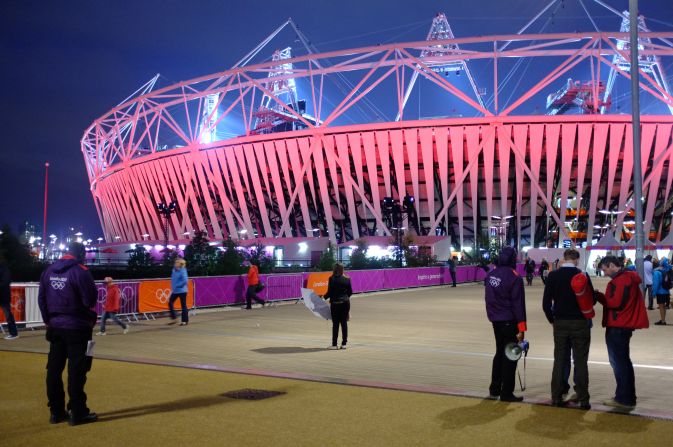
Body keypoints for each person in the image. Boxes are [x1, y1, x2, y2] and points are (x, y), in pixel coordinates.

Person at [38, 242, 98, 425]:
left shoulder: (48, 271)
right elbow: (90, 300)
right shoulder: (81, 271)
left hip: (56, 327)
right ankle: (78, 412)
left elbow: (41, 299)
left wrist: (49, 321)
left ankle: (56, 411)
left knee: (54, 369)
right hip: (78, 327)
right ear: (80, 254)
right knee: (77, 370)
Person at [596, 256, 649, 410]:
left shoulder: (621, 281)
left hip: (618, 326)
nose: (605, 273)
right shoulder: (629, 278)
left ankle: (624, 398)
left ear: (612, 265)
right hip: (623, 324)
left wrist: (598, 296)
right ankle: (626, 396)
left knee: (619, 363)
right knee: (623, 362)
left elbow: (615, 303)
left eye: (605, 269)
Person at [542, 249, 593, 410]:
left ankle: (556, 396)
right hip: (580, 324)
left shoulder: (553, 276)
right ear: (577, 260)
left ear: (564, 259)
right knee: (580, 361)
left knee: (560, 360)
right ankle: (583, 399)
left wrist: (552, 320)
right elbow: (591, 300)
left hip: (560, 323)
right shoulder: (582, 275)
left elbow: (545, 304)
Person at [484, 246, 527, 402]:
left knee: (499, 353)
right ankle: (507, 393)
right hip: (509, 321)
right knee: (510, 356)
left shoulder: (490, 275)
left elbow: (489, 299)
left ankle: (494, 388)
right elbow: (518, 305)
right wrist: (522, 328)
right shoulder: (514, 277)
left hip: (496, 321)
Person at [324, 262, 352, 349]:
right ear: (342, 269)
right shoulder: (347, 279)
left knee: (335, 324)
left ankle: (334, 344)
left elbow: (329, 293)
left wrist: (323, 297)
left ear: (334, 269)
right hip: (345, 303)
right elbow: (350, 292)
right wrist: (344, 297)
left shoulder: (331, 279)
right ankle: (344, 344)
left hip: (335, 304)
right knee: (344, 323)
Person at [0, 256, 19, 340]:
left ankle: (14, 333)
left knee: (8, 315)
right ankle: (13, 333)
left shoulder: (4, 268)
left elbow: (5, 282)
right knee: (8, 314)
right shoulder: (4, 268)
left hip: (3, 295)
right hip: (3, 295)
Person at [168, 258, 189, 325]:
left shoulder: (183, 270)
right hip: (175, 291)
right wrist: (173, 288)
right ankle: (174, 318)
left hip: (182, 290)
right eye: (175, 262)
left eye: (177, 262)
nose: (175, 263)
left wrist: (178, 285)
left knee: (183, 305)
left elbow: (185, 281)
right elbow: (173, 280)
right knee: (170, 302)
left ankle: (184, 321)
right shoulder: (174, 270)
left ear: (180, 264)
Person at [651, 257, 671, 325]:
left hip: (660, 292)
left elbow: (656, 284)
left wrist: (654, 293)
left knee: (661, 306)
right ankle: (663, 319)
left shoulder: (657, 272)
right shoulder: (667, 270)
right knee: (664, 306)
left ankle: (663, 321)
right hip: (666, 291)